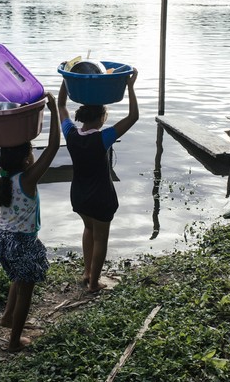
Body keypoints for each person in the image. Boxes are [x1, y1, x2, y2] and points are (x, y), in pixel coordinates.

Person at [0, 92, 60, 352]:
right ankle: (14, 342)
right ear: (26, 159)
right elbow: (53, 147)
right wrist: (54, 110)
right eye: (31, 153)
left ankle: (8, 317)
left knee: (17, 278)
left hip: (2, 242)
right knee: (25, 292)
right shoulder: (28, 179)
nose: (34, 156)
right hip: (22, 242)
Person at [57, 68, 139, 293]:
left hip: (80, 196)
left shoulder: (71, 135)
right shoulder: (103, 138)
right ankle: (94, 283)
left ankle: (87, 272)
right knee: (101, 238)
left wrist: (66, 79)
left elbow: (61, 106)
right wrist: (130, 87)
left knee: (88, 229)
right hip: (100, 198)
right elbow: (133, 117)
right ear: (102, 117)